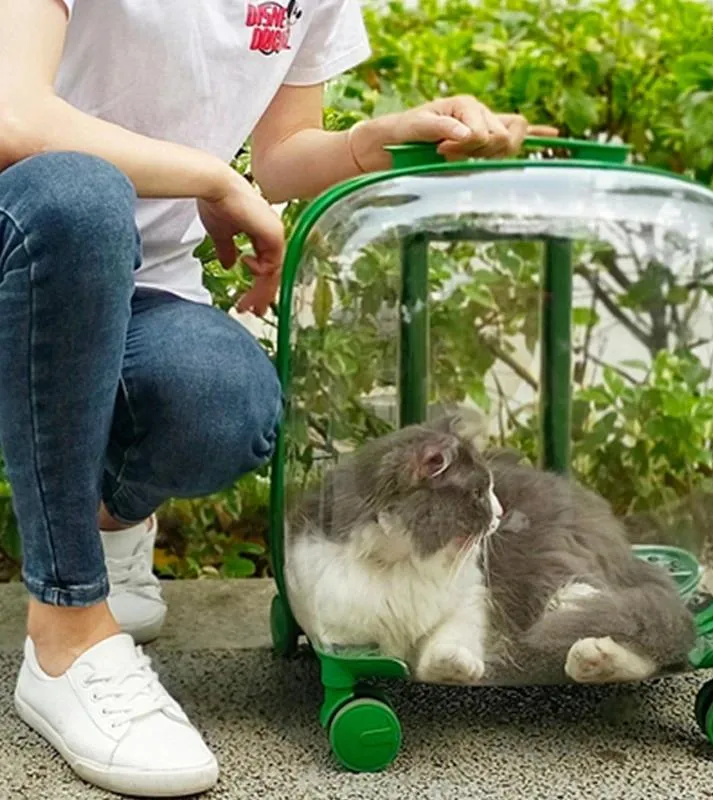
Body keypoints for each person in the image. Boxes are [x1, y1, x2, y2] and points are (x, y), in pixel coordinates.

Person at [0, 0, 558, 796]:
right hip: (22, 238)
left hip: (135, 287)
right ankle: (67, 630)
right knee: (78, 196)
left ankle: (103, 526)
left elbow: (281, 153)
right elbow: (14, 119)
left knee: (220, 400)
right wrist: (208, 174)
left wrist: (378, 139)